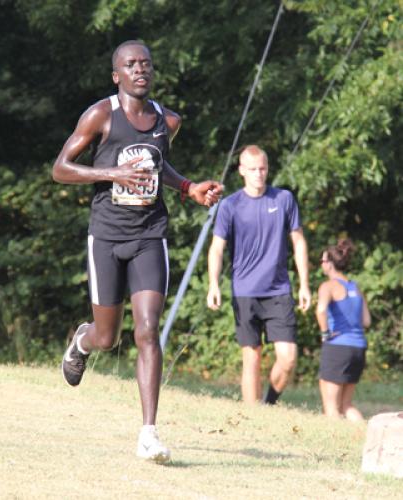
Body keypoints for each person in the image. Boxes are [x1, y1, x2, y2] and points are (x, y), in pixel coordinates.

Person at [52, 40, 223, 463]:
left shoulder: (168, 120)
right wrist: (112, 173)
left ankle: (148, 433)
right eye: (130, 65)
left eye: (145, 63)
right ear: (117, 76)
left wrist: (188, 187)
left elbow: (157, 163)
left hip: (150, 233)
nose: (140, 69)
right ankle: (82, 340)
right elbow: (60, 169)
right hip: (107, 235)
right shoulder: (100, 115)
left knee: (147, 330)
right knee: (107, 337)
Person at [206, 145, 311, 404]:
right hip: (244, 290)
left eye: (262, 168)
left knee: (287, 359)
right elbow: (217, 249)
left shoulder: (284, 199)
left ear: (268, 168)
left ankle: (270, 401)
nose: (258, 174)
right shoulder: (230, 205)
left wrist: (305, 285)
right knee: (251, 356)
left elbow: (298, 242)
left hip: (279, 290)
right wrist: (213, 285)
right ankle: (253, 415)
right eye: (252, 169)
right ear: (242, 171)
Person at [316, 238, 371, 421]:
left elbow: (321, 310)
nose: (321, 264)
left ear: (330, 264)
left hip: (338, 346)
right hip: (358, 348)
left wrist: (325, 333)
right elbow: (366, 321)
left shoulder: (328, 286)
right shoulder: (355, 287)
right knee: (346, 406)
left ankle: (334, 445)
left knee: (331, 408)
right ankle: (362, 437)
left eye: (323, 261)